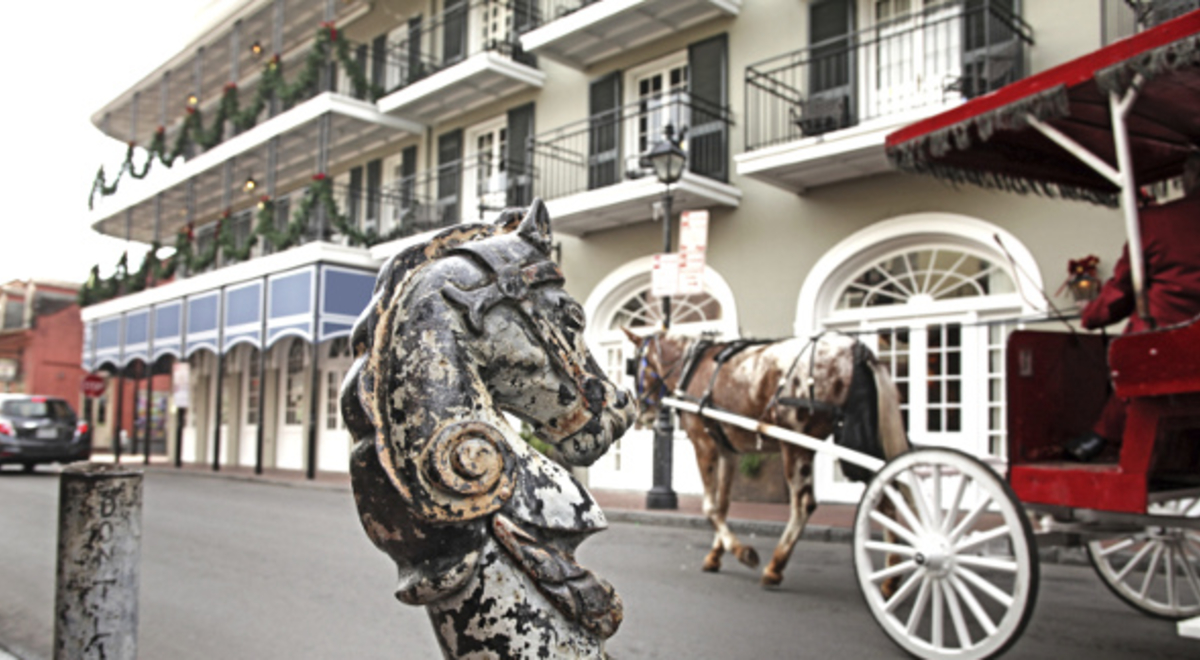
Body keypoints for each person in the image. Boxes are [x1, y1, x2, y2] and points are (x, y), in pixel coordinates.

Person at [1065, 153, 1200, 461]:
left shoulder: (1156, 222)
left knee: (1133, 354)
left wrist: (1091, 316)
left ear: (1190, 179)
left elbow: (1124, 288)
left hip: (1169, 342)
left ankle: (1102, 436)